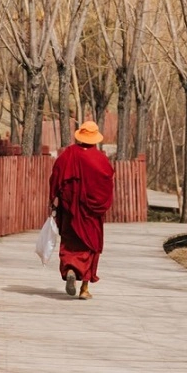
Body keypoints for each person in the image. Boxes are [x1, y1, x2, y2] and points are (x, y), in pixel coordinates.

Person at [49, 120, 115, 298]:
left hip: (70, 209)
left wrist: (54, 198)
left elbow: (56, 177)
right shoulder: (101, 159)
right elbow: (107, 184)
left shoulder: (68, 154)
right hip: (91, 213)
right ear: (95, 138)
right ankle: (84, 289)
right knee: (90, 246)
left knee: (70, 241)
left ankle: (70, 269)